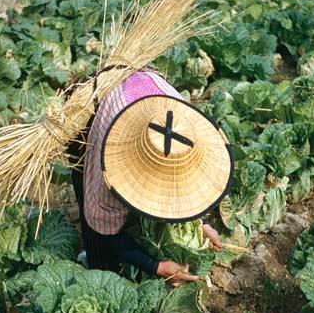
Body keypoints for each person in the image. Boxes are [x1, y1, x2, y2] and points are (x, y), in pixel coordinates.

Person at [69, 66, 233, 286]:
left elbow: (182, 183)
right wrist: (155, 266)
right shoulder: (111, 165)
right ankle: (95, 263)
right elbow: (103, 224)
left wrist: (200, 224)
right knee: (98, 234)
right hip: (92, 114)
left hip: (141, 87)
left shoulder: (184, 124)